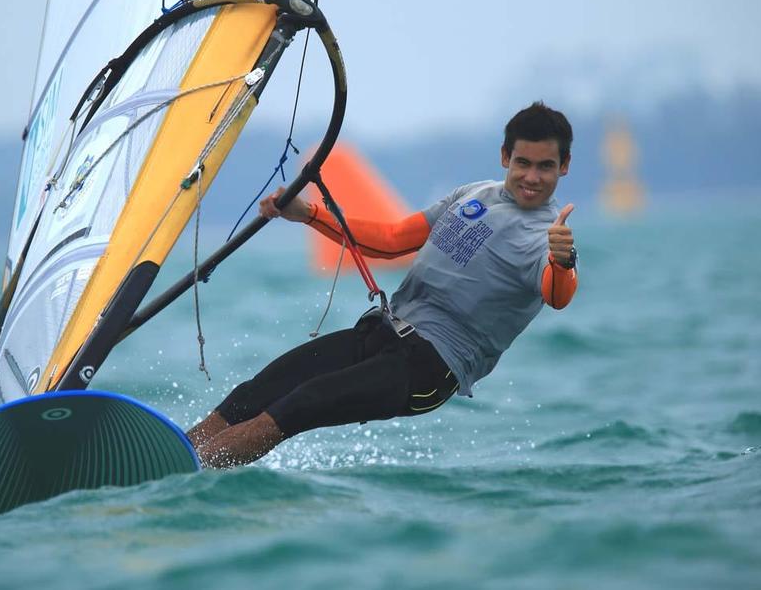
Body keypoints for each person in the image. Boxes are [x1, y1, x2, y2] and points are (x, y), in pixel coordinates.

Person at [188, 101, 578, 468]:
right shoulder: (473, 194)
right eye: (523, 162)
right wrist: (307, 213)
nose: (532, 177)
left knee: (297, 406)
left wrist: (562, 262)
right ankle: (175, 449)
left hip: (430, 369)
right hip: (385, 331)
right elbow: (392, 240)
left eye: (545, 166)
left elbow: (556, 294)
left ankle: (188, 473)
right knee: (257, 392)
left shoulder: (544, 236)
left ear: (564, 166)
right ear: (505, 156)